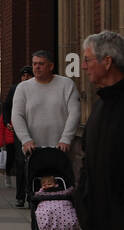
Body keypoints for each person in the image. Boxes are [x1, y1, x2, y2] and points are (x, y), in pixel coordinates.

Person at [74, 31, 124, 230]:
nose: (83, 66)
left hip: (120, 229)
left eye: (88, 59)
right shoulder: (99, 108)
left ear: (108, 61)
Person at [12, 50, 81, 178]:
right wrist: (25, 139)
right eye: (34, 64)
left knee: (63, 187)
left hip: (61, 150)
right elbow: (17, 115)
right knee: (36, 190)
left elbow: (75, 113)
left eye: (41, 64)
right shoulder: (23, 88)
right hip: (34, 151)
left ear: (51, 66)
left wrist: (66, 138)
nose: (37, 67)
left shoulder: (66, 85)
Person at [0, 65, 34, 205]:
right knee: (20, 162)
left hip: (34, 130)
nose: (25, 78)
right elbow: (7, 105)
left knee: (32, 163)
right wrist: (8, 122)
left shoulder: (36, 88)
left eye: (28, 76)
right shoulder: (15, 89)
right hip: (19, 130)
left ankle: (31, 194)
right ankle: (20, 196)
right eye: (23, 76)